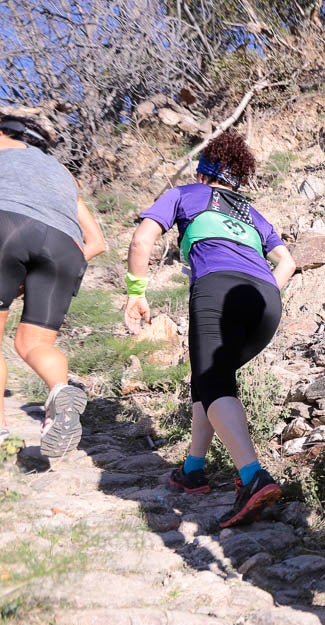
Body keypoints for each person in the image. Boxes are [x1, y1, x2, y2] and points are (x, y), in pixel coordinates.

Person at [125, 131, 296, 529]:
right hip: (266, 301)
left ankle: (253, 477)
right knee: (209, 378)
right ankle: (194, 469)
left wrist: (135, 292)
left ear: (203, 175)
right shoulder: (251, 214)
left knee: (213, 379)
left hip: (216, 288)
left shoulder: (185, 194)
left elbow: (142, 238)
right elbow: (286, 262)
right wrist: (264, 289)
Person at [0, 106, 106, 458]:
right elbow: (98, 242)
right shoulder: (61, 174)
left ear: (2, 132)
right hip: (64, 246)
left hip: (2, 227)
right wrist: (43, 267)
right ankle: (59, 392)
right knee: (35, 341)